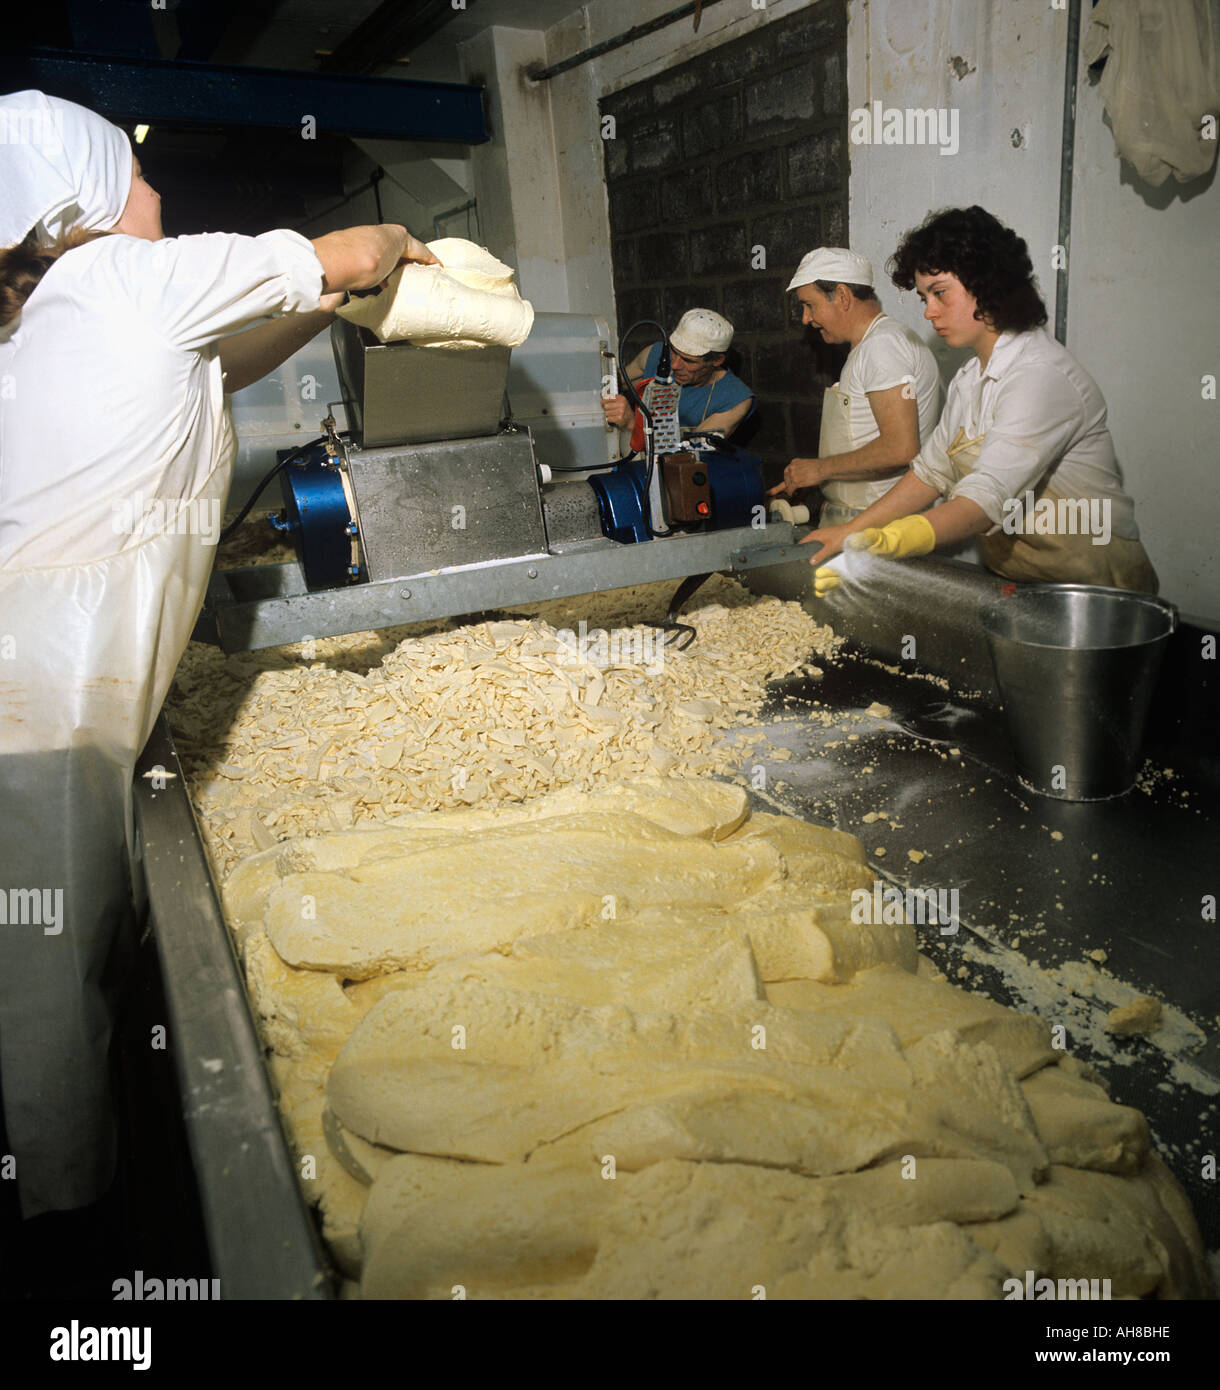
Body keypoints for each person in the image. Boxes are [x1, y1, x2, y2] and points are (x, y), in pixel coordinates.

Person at [0, 88, 439, 1226]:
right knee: (43, 954)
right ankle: (66, 1221)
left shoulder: (91, 306)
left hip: (68, 655)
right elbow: (346, 242)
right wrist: (394, 245)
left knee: (69, 924)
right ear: (92, 191)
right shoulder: (120, 278)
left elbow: (226, 362)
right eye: (137, 175)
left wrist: (340, 297)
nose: (159, 190)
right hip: (37, 683)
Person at [803, 206, 1158, 594]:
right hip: (1020, 578)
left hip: (1096, 583)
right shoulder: (969, 381)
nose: (929, 312)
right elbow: (930, 473)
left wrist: (891, 541)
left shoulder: (1040, 375)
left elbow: (984, 500)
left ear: (987, 283)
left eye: (939, 293)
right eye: (924, 297)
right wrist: (850, 531)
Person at [768, 247, 942, 525]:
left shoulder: (881, 346)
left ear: (842, 296)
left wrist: (821, 469)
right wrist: (828, 477)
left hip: (876, 522)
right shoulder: (879, 343)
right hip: (868, 516)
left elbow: (901, 448)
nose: (805, 319)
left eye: (809, 305)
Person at [601, 308, 754, 442]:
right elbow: (612, 383)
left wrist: (632, 424)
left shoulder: (735, 399)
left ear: (717, 360)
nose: (674, 366)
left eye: (689, 361)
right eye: (674, 353)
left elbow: (690, 457)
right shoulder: (656, 356)